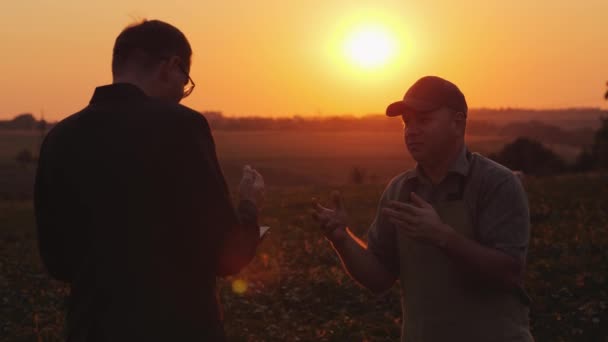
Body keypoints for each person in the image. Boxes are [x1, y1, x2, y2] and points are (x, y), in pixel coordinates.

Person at [34, 20, 264, 341]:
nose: (182, 95)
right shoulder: (181, 126)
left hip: (91, 329)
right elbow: (226, 256)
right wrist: (249, 205)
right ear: (171, 66)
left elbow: (57, 262)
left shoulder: (59, 137)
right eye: (186, 82)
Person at [312, 76, 534, 341]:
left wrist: (442, 236)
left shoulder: (496, 183)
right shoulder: (399, 190)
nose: (411, 130)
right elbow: (379, 279)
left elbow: (509, 271)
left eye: (424, 120)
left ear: (457, 123)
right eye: (407, 123)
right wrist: (342, 240)